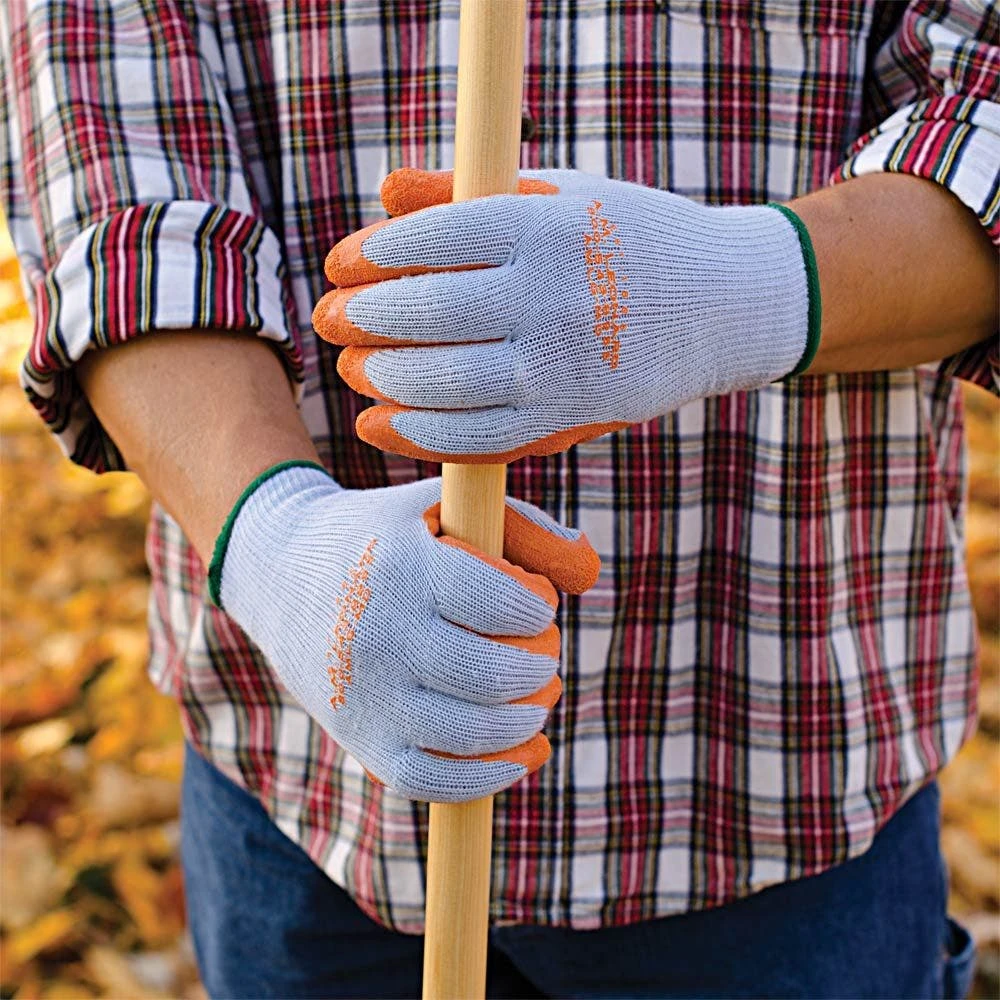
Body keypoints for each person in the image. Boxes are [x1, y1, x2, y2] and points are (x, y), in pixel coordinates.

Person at [2, 1, 997, 996]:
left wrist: (732, 287)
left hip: (780, 780)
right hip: (308, 800)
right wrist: (277, 542)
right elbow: (115, 187)